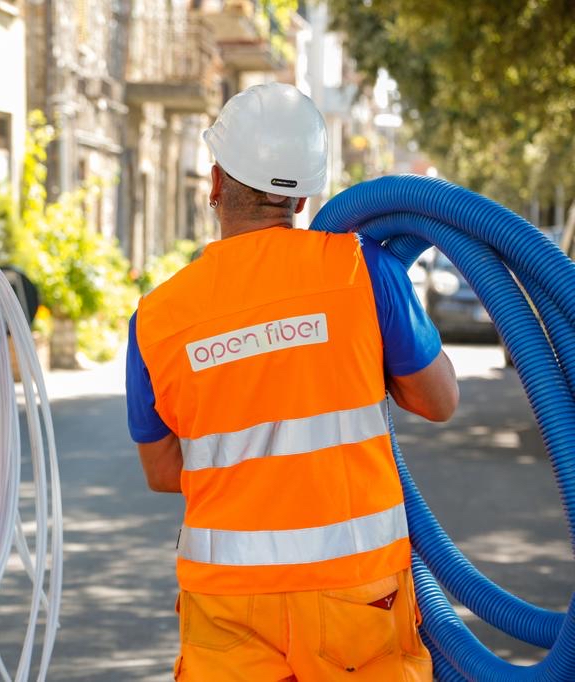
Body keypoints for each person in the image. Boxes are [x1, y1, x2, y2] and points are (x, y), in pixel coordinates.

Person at [125, 83, 458, 681]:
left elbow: (161, 471)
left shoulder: (157, 317)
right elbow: (439, 401)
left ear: (216, 183)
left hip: (227, 603)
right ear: (303, 197)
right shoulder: (363, 270)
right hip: (354, 595)